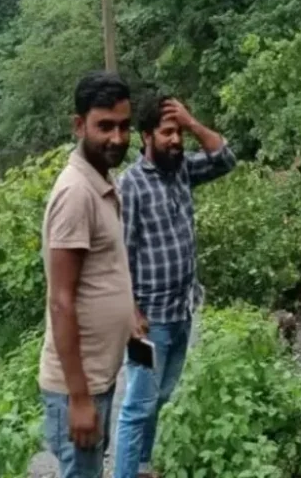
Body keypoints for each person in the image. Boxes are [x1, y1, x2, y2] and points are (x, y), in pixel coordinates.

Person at [114, 95, 236, 478]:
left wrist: (192, 122)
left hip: (181, 311)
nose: (176, 140)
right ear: (146, 136)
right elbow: (119, 254)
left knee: (161, 395)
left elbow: (225, 159)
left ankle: (142, 466)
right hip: (149, 322)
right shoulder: (131, 185)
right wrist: (130, 313)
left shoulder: (181, 169)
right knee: (138, 405)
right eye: (167, 132)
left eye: (178, 132)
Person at [39, 71, 139, 478]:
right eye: (105, 126)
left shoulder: (101, 180)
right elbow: (61, 301)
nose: (117, 138)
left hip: (97, 377)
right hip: (77, 387)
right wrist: (79, 399)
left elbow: (102, 270)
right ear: (79, 125)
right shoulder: (76, 193)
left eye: (124, 126)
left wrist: (128, 315)